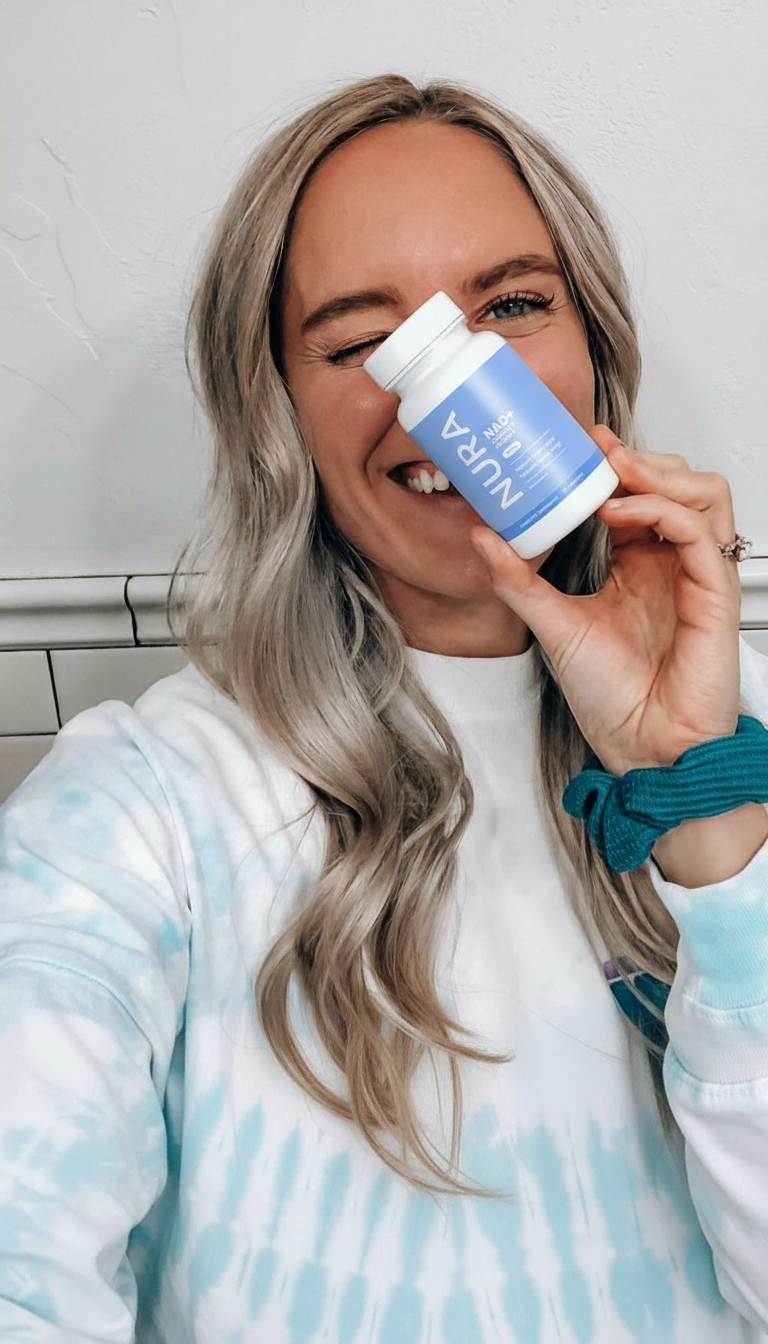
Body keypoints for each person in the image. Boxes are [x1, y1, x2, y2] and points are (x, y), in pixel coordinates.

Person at [1, 73, 767, 1344]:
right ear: (275, 409)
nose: (452, 395)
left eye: (511, 305)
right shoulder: (137, 809)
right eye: (365, 342)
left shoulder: (738, 755)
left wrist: (698, 790)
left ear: (594, 350)